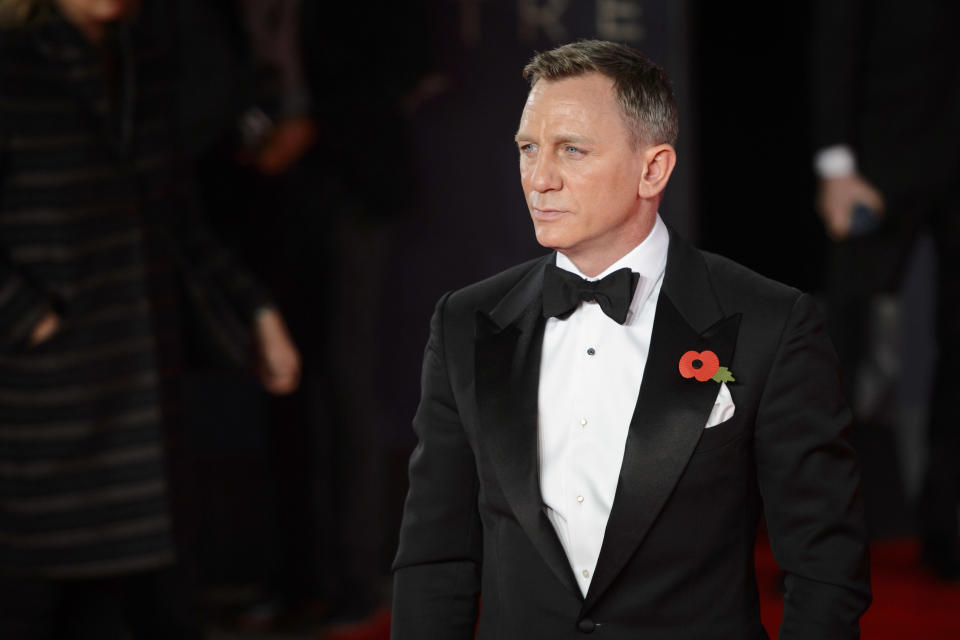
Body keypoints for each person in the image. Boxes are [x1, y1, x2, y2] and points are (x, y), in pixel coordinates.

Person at [392, 40, 871, 639]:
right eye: (527, 149)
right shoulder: (465, 322)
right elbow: (434, 559)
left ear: (653, 169)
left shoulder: (771, 322)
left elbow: (825, 565)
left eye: (571, 150)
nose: (539, 179)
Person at [0, 0, 300, 636]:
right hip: (39, 413)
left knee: (155, 606)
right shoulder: (12, 67)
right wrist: (26, 316)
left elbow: (178, 221)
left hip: (142, 404)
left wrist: (257, 311)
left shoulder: (148, 62)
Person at [809, 0, 960, 579]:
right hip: (876, 161)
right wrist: (835, 165)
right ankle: (821, 540)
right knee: (839, 349)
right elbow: (836, 37)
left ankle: (945, 530)